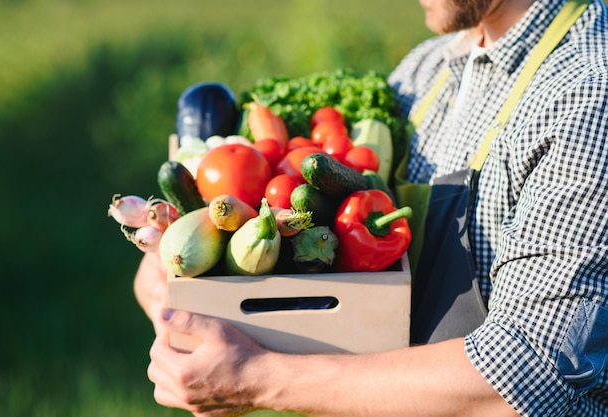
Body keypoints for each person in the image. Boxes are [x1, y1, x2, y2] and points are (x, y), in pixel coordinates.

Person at [134, 0, 608, 415]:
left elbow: (531, 374)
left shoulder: (587, 95)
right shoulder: (428, 71)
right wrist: (181, 302)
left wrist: (259, 377)